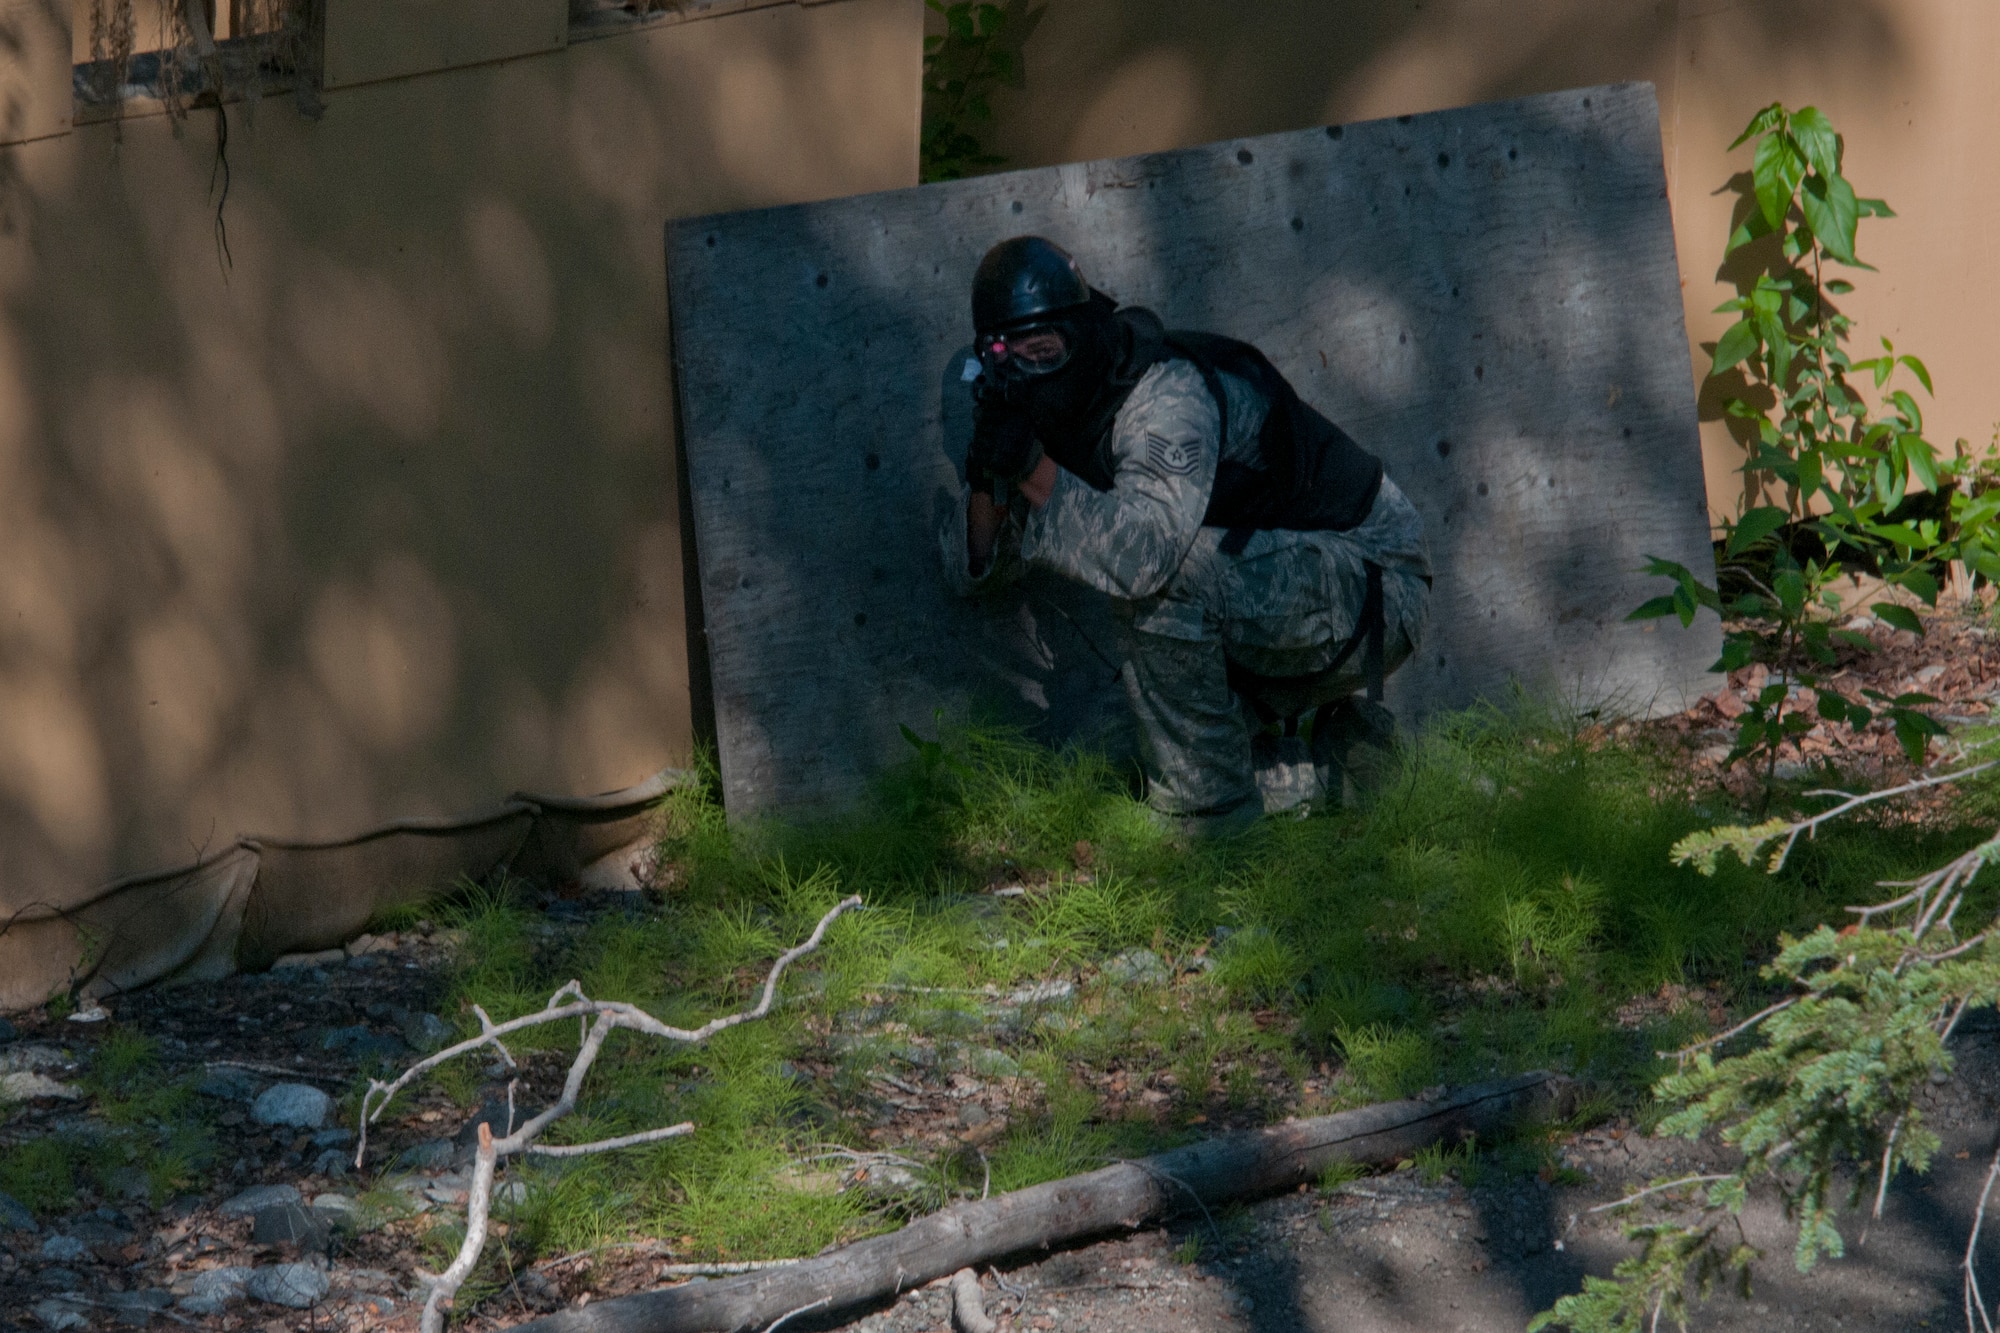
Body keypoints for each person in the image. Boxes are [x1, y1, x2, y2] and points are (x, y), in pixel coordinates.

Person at [940, 236, 1431, 836]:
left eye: (1042, 351)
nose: (1028, 373)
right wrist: (990, 471)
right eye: (1007, 357)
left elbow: (1146, 562)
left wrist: (1032, 470)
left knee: (1168, 583)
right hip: (1269, 600)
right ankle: (1338, 765)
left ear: (1084, 335)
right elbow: (975, 570)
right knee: (1099, 758)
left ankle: (1212, 819)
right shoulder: (1045, 407)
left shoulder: (1167, 397)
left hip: (1375, 584)